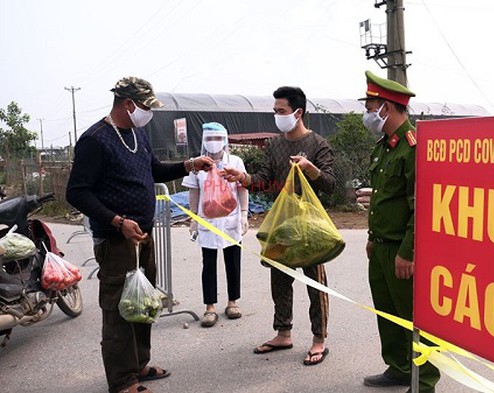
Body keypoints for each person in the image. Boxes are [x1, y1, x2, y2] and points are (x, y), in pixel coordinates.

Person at [66, 77, 214, 393]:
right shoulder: (96, 139)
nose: (149, 112)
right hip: (117, 239)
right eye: (146, 106)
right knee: (119, 309)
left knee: (142, 304)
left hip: (142, 236)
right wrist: (117, 221)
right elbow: (77, 192)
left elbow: (155, 171)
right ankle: (122, 381)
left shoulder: (137, 134)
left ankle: (139, 365)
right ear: (129, 104)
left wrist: (190, 165)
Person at [223, 86, 336, 366]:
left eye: (281, 111)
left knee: (315, 283)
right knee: (280, 280)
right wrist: (244, 178)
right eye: (274, 111)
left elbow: (332, 185)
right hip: (281, 223)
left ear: (298, 113)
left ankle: (319, 339)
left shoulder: (318, 144)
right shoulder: (274, 145)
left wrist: (311, 169)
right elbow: (263, 179)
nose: (277, 116)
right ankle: (283, 333)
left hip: (311, 227)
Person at [359, 71, 440, 393]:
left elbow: (422, 208)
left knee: (415, 319)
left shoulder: (413, 148)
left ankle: (425, 382)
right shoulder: (384, 148)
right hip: (380, 247)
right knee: (388, 314)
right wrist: (371, 236)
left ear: (387, 108)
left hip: (401, 250)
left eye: (370, 105)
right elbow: (382, 199)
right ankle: (399, 367)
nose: (367, 111)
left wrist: (409, 251)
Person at [182, 121, 249, 327]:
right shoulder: (197, 165)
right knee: (208, 264)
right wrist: (193, 218)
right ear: (203, 140)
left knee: (233, 261)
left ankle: (233, 302)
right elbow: (194, 191)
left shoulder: (235, 162)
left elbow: (242, 188)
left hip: (230, 219)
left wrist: (244, 214)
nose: (214, 143)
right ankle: (209, 307)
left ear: (225, 140)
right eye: (209, 139)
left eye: (218, 138)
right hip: (208, 220)